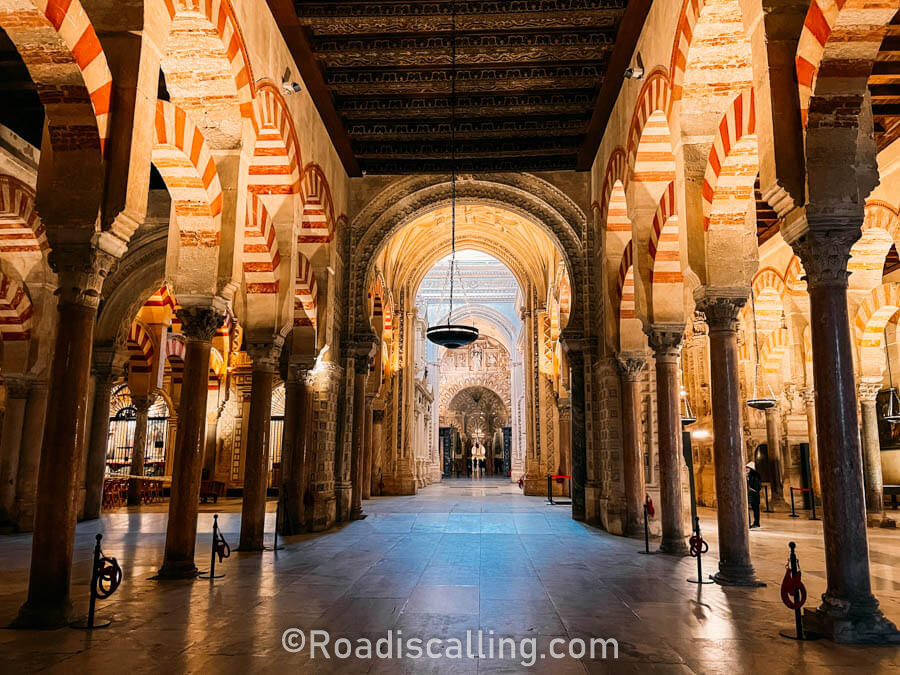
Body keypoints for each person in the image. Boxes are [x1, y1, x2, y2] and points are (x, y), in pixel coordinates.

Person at [746, 461, 762, 528]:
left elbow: (757, 485)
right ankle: (748, 523)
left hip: (754, 494)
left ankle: (756, 523)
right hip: (748, 494)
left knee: (756, 509)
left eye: (748, 468)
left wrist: (752, 488)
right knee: (747, 509)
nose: (746, 469)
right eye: (746, 467)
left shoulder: (755, 475)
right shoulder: (746, 475)